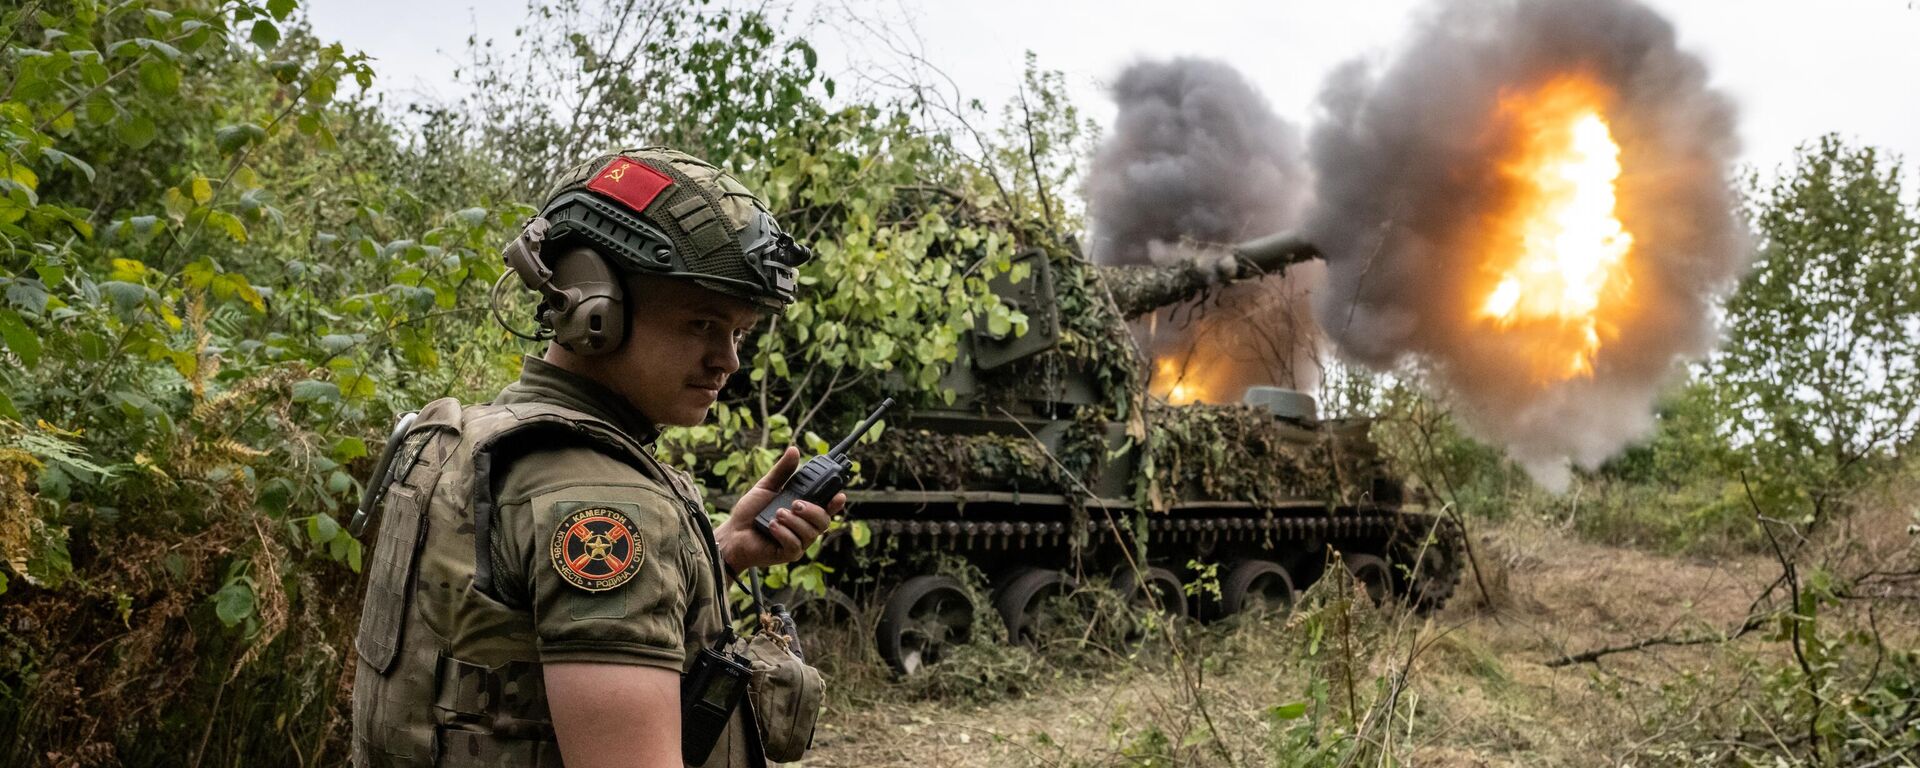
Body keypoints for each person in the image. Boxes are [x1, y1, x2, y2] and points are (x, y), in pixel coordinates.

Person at [349, 148, 837, 768]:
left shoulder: (469, 439)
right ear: (591, 304)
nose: (728, 361)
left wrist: (727, 549)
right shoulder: (600, 498)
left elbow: (508, 634)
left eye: (738, 333)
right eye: (702, 325)